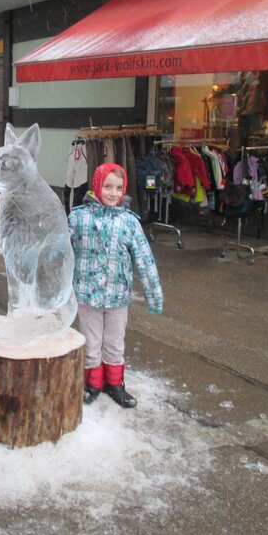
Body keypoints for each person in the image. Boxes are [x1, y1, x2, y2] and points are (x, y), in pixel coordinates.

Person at [68, 162, 163, 408]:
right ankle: (92, 384)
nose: (113, 193)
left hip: (117, 295)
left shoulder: (128, 222)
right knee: (91, 343)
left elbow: (144, 258)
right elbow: (60, 250)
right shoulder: (78, 218)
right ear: (97, 185)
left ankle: (115, 384)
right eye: (108, 186)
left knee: (114, 343)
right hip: (87, 295)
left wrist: (154, 295)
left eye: (118, 188)